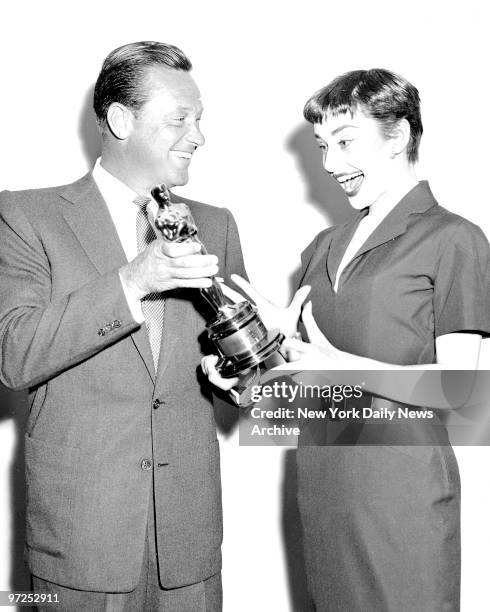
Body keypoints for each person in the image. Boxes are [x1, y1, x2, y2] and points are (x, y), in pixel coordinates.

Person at [203, 69, 490, 610]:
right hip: (323, 488)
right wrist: (250, 371)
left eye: (345, 141)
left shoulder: (454, 238)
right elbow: (307, 386)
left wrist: (341, 366)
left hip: (400, 495)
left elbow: (463, 394)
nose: (331, 163)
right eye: (322, 146)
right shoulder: (321, 247)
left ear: (399, 135)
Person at [0, 41, 246, 611]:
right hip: (80, 539)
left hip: (189, 540)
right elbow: (13, 354)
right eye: (179, 119)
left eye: (199, 119)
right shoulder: (25, 216)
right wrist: (134, 280)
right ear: (119, 120)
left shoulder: (217, 224)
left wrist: (251, 370)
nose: (198, 136)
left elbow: (249, 387)